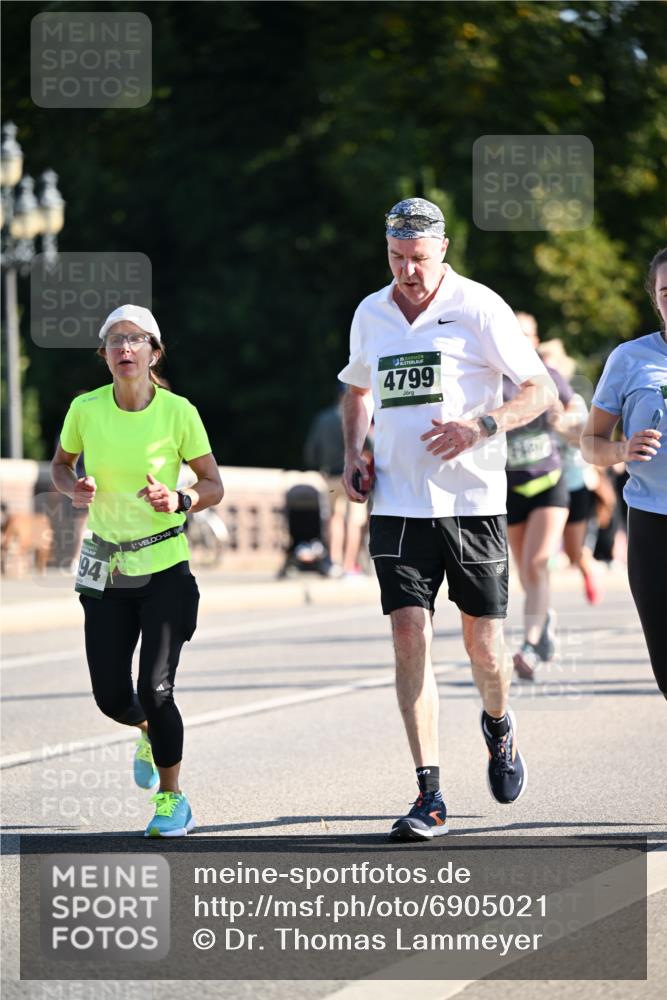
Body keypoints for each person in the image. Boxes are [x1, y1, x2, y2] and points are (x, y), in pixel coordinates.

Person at [339, 197, 557, 841]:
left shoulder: (478, 307)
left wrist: (481, 425)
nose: (408, 272)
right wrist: (356, 451)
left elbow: (538, 388)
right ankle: (429, 793)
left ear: (443, 254)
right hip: (398, 504)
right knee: (409, 635)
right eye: (397, 258)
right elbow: (357, 390)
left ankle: (498, 723)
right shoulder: (371, 313)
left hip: (472, 505)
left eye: (419, 259)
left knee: (484, 647)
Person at [51, 304, 224, 836]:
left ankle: (173, 800)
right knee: (110, 696)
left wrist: (178, 497)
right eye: (115, 341)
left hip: (165, 562)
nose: (125, 349)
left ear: (153, 351)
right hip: (104, 562)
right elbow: (60, 465)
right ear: (104, 355)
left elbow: (213, 486)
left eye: (135, 340)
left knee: (156, 687)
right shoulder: (85, 408)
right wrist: (72, 486)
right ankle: (147, 729)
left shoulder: (179, 412)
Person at [582, 247, 667, 698]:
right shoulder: (631, 360)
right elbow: (589, 443)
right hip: (652, 520)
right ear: (656, 299)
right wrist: (621, 448)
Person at [504, 316, 575, 679]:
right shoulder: (494, 377)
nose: (520, 340)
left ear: (536, 339)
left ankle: (529, 646)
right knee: (524, 570)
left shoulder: (547, 374)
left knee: (537, 563)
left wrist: (565, 417)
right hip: (511, 488)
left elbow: (576, 407)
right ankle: (543, 621)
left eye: (526, 334)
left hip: (548, 481)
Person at [537, 340, 602, 605]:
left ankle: (588, 570)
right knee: (540, 554)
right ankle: (541, 603)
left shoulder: (573, 401)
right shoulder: (533, 397)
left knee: (575, 553)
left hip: (574, 482)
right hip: (546, 483)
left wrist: (558, 426)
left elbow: (585, 439)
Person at [304, 382, 371, 575]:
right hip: (355, 476)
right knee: (354, 521)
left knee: (335, 519)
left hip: (331, 476)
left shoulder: (323, 419)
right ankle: (350, 566)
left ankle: (335, 561)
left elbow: (311, 452)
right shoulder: (358, 416)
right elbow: (370, 447)